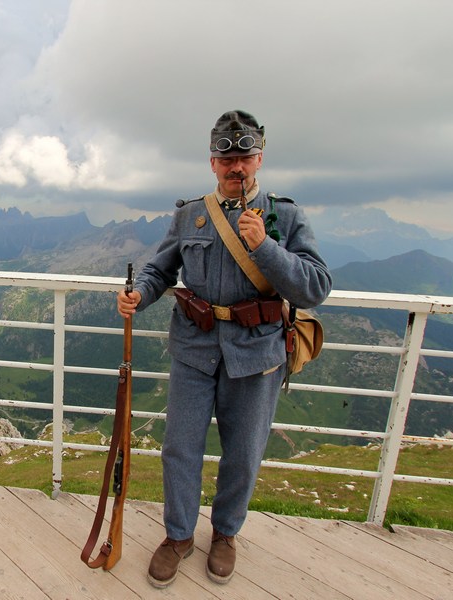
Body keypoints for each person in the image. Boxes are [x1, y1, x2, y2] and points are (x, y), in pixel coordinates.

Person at [117, 110, 331, 588]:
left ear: (260, 159)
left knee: (243, 452)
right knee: (180, 448)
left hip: (256, 354)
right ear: (213, 162)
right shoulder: (190, 214)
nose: (237, 167)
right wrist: (140, 294)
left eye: (246, 157)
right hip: (194, 347)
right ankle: (177, 536)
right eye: (227, 157)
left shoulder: (287, 217)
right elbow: (160, 269)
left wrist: (267, 248)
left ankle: (225, 535)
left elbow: (316, 287)